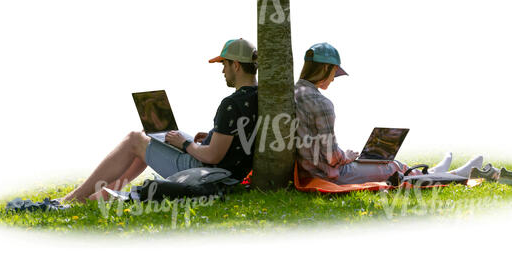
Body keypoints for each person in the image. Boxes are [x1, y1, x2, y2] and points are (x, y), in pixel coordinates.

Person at [62, 38, 259, 202]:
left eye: (224, 64)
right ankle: (98, 196)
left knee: (135, 139)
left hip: (206, 171)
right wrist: (214, 136)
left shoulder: (231, 104)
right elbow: (241, 135)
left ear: (236, 65)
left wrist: (185, 143)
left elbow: (213, 157)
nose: (222, 71)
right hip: (228, 171)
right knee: (149, 139)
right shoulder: (260, 97)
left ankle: (76, 196)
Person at [294, 42, 483, 185]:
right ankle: (454, 176)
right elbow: (332, 157)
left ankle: (433, 171)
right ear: (326, 67)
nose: (334, 79)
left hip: (308, 169)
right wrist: (348, 156)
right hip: (329, 174)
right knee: (391, 167)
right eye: (335, 72)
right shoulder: (321, 103)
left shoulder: (292, 94)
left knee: (388, 163)